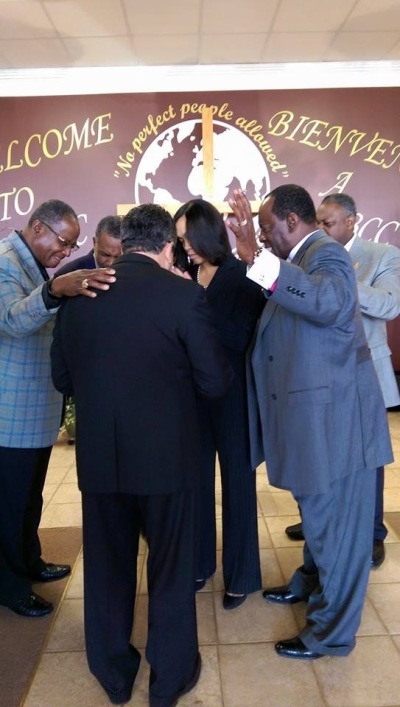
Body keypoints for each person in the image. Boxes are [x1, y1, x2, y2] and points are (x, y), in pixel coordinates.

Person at [50, 203, 233, 706]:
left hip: (101, 459)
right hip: (168, 461)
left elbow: (62, 380)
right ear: (167, 247)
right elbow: (215, 382)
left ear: (124, 243)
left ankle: (112, 674)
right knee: (170, 568)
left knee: (108, 565)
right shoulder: (184, 297)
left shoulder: (80, 295)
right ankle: (169, 678)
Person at [228, 184, 392, 659]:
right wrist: (254, 254)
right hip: (315, 424)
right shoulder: (302, 256)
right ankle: (311, 582)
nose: (262, 235)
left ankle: (331, 633)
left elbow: (328, 302)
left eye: (265, 227)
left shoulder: (327, 255)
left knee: (337, 533)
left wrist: (256, 260)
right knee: (318, 519)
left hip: (336, 427)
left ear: (292, 223)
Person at [0, 199, 116, 619]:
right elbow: (11, 319)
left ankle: (29, 562)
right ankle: (11, 587)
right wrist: (53, 291)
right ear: (37, 228)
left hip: (34, 410)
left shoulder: (29, 261)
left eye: (70, 247)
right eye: (62, 243)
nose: (65, 253)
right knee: (9, 504)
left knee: (29, 498)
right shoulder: (6, 261)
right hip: (10, 412)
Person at [285, 193, 400, 568]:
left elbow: (389, 305)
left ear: (351, 221)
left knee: (367, 461)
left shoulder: (382, 255)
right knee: (322, 452)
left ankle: (372, 534)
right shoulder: (309, 256)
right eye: (317, 222)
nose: (321, 229)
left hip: (366, 374)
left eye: (328, 223)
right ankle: (316, 521)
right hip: (323, 375)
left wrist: (343, 282)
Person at [173, 199, 264, 609]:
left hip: (233, 398)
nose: (185, 247)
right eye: (179, 240)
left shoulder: (240, 274)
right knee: (193, 485)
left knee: (238, 485)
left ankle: (241, 574)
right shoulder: (184, 274)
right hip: (192, 399)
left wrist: (193, 303)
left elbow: (240, 336)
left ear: (209, 233)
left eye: (189, 238)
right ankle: (199, 564)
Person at [56, 214, 122, 274]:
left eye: (118, 257)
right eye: (105, 255)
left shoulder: (131, 274)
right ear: (94, 242)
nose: (111, 263)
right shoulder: (69, 273)